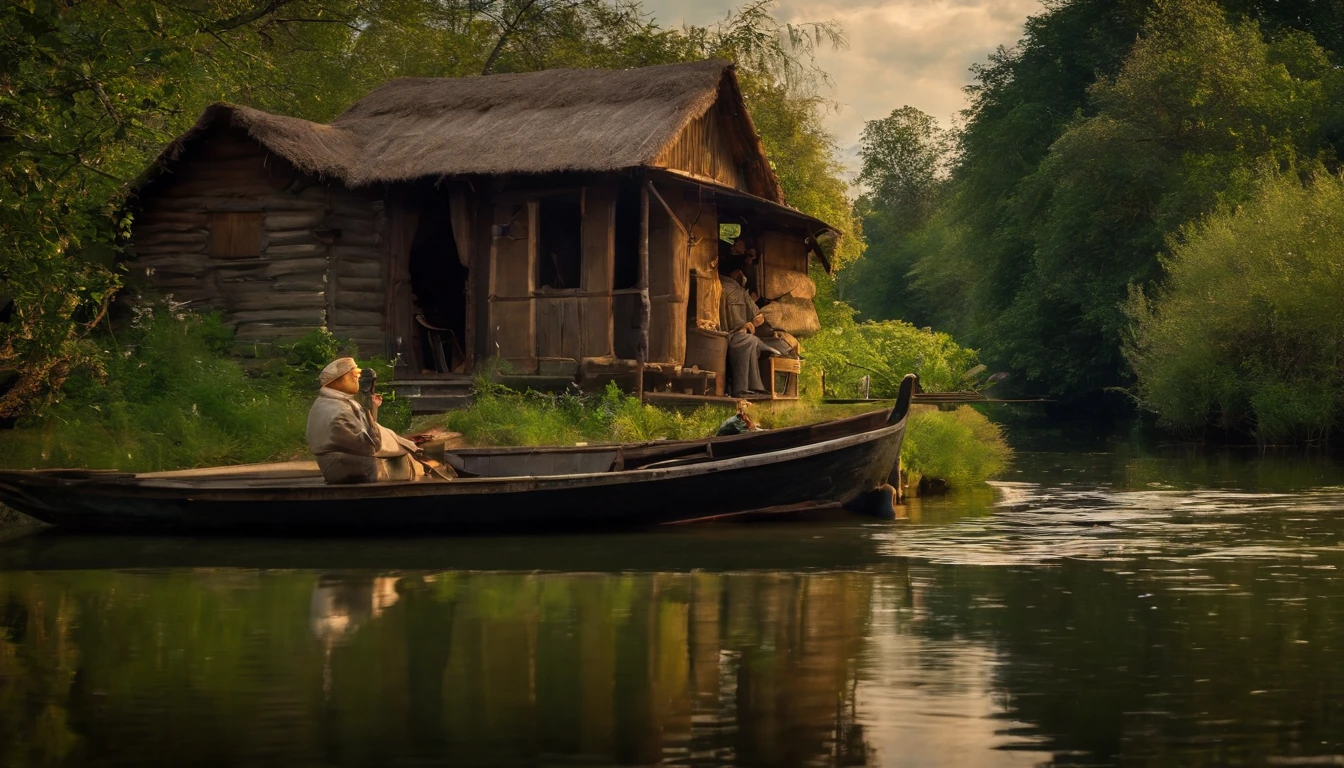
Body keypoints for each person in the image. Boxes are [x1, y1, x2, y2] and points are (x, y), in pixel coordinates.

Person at [306, 357, 425, 484]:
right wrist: (368, 410)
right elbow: (370, 446)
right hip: (349, 469)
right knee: (412, 463)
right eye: (354, 374)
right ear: (337, 380)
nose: (357, 377)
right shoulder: (338, 412)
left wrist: (371, 409)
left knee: (411, 455)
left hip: (348, 462)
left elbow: (365, 431)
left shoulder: (333, 403)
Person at [719, 255, 797, 397]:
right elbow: (759, 318)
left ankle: (754, 387)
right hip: (733, 336)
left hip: (721, 334)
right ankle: (741, 388)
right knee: (750, 341)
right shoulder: (738, 291)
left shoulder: (716, 284)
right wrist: (748, 324)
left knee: (752, 343)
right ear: (737, 273)